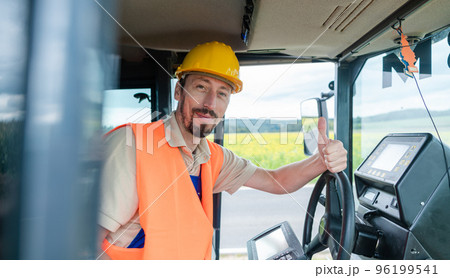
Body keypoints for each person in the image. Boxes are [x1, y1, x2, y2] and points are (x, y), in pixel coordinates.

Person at [97, 41, 347, 260]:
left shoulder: (212, 157)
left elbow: (276, 180)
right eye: (201, 88)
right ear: (178, 91)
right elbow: (81, 246)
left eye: (222, 93)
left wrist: (321, 161)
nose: (209, 104)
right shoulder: (132, 145)